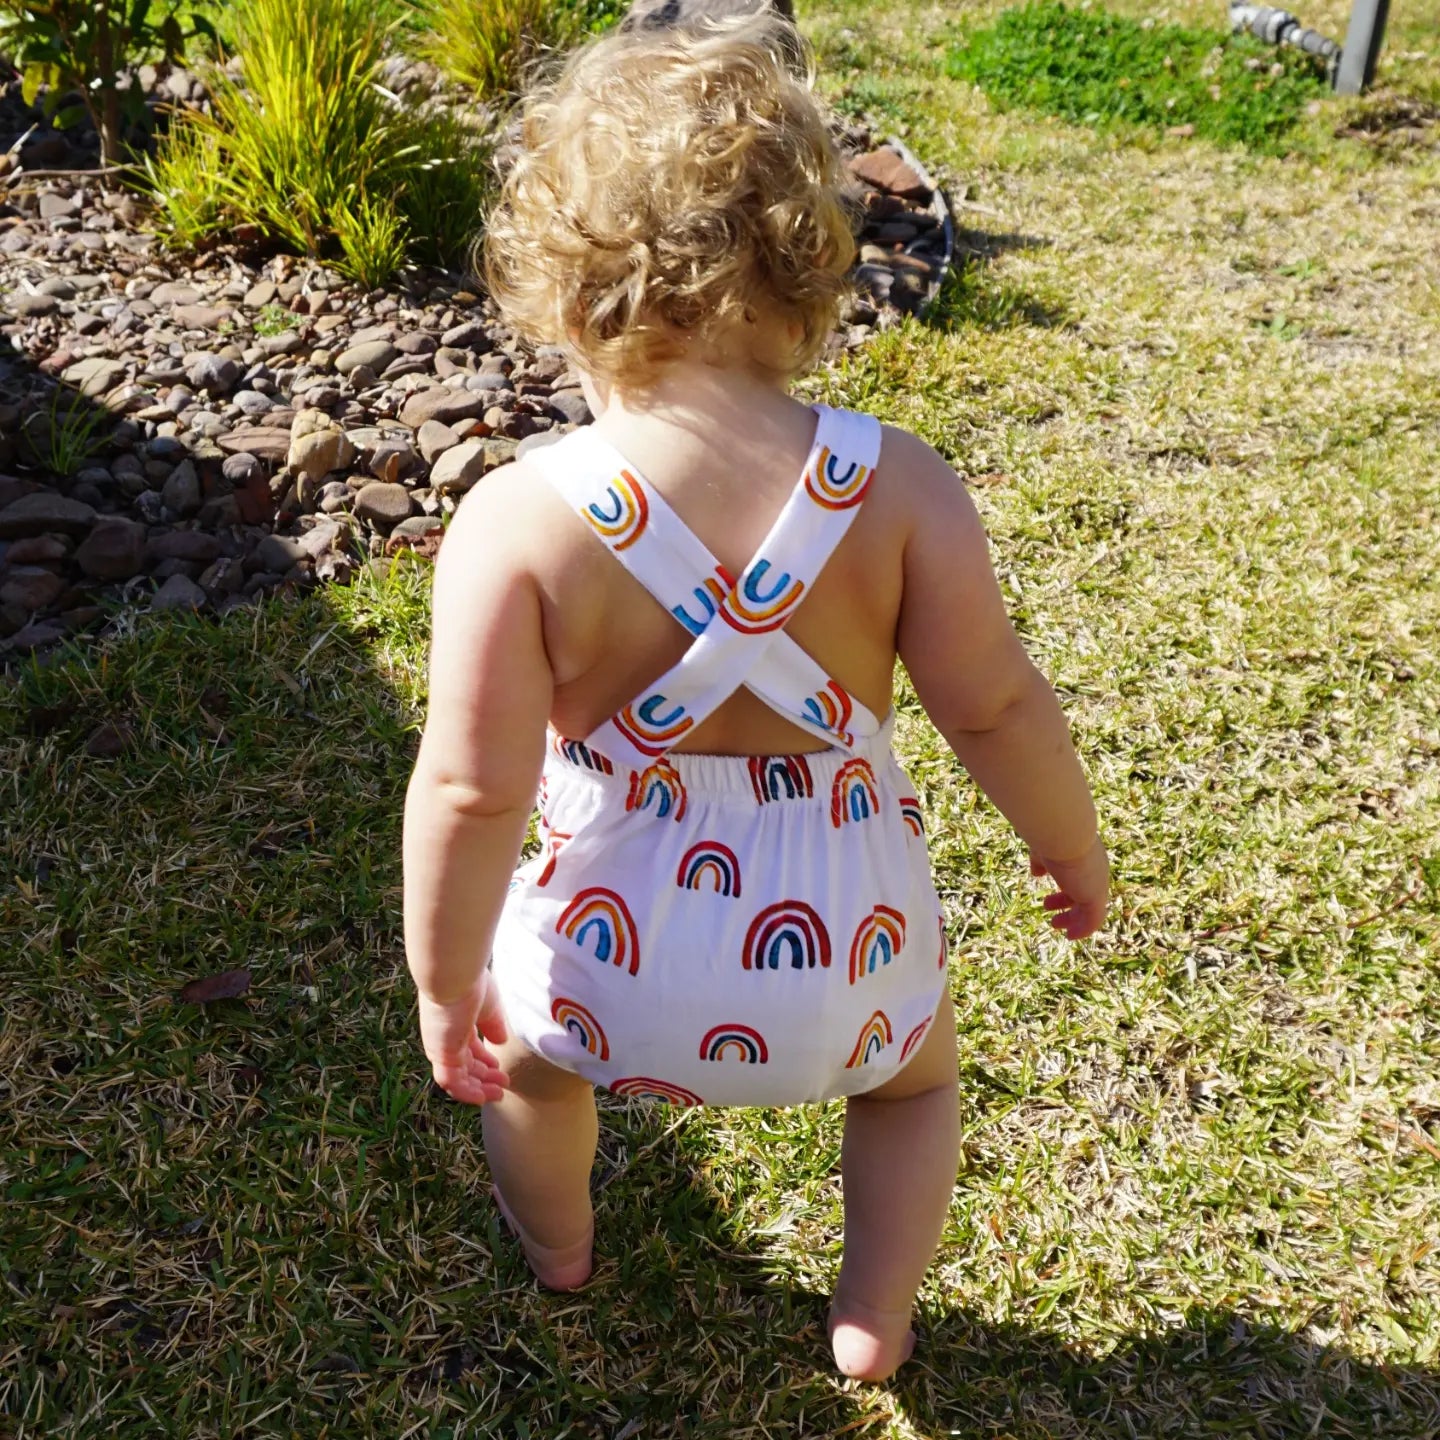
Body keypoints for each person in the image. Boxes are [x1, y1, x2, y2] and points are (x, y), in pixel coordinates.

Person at [402, 11, 1109, 1384]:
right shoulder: (898, 485)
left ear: (560, 280)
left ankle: (559, 1241)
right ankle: (873, 1317)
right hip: (843, 961)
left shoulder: (520, 519)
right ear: (810, 261)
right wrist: (1067, 849)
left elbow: (471, 789)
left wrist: (446, 983)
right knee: (915, 1089)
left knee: (538, 1076)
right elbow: (997, 709)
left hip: (601, 973)